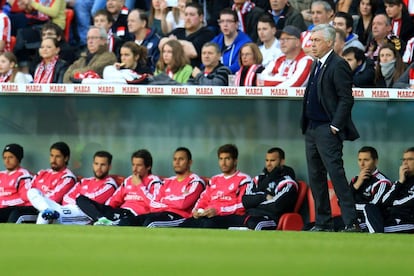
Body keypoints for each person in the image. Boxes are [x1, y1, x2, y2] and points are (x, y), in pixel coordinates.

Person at [301, 24, 360, 232]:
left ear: (329, 42)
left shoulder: (338, 64)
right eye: (311, 40)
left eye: (316, 40)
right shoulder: (315, 64)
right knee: (316, 178)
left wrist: (335, 125)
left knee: (336, 175)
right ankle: (323, 223)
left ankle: (351, 222)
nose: (312, 44)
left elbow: (346, 98)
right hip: (312, 129)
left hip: (327, 129)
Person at [26, 151, 118, 225]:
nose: (99, 167)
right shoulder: (85, 181)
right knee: (32, 191)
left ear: (109, 167)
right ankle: (47, 209)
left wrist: (78, 199)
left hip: (82, 213)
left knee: (44, 216)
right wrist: (77, 200)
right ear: (92, 164)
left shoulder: (109, 185)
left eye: (103, 165)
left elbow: (92, 201)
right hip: (64, 207)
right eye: (96, 164)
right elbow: (66, 198)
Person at [76, 149, 162, 226]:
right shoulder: (128, 180)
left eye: (139, 165)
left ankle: (103, 221)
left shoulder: (154, 181)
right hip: (119, 211)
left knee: (123, 220)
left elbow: (154, 204)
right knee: (81, 199)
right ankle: (101, 218)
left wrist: (139, 185)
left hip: (133, 214)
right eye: (133, 165)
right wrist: (105, 210)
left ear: (148, 167)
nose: (135, 169)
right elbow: (113, 200)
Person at [123, 147, 205, 227]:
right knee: (129, 221)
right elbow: (152, 204)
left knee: (151, 223)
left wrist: (163, 200)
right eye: (175, 159)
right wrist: (175, 199)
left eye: (181, 159)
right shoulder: (167, 181)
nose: (177, 162)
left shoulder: (195, 181)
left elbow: (183, 203)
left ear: (190, 162)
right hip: (160, 213)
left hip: (179, 217)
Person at [180, 144, 252, 229]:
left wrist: (219, 210)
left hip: (229, 216)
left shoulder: (244, 179)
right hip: (209, 215)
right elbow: (204, 199)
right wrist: (196, 210)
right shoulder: (214, 179)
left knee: (209, 224)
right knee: (185, 224)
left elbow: (243, 205)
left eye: (227, 159)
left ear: (235, 161)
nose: (223, 163)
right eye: (221, 159)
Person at [8, 141, 77, 223]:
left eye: (58, 156)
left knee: (17, 214)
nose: (53, 160)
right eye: (51, 156)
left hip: (45, 211)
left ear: (66, 158)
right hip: (29, 206)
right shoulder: (42, 173)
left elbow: (55, 198)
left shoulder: (68, 177)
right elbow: (28, 193)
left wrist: (36, 197)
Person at [242, 147, 298, 230]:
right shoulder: (258, 179)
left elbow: (277, 206)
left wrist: (254, 203)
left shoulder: (287, 183)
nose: (268, 164)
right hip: (250, 215)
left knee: (253, 223)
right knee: (219, 221)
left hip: (271, 218)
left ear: (282, 162)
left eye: (272, 161)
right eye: (267, 160)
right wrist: (265, 197)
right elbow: (245, 200)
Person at [349, 146, 392, 233]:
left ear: (375, 161)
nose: (362, 164)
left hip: (375, 221)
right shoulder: (355, 180)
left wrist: (350, 204)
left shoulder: (382, 181)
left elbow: (373, 207)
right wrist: (357, 184)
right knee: (332, 223)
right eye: (359, 160)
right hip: (356, 219)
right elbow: (341, 201)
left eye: (366, 160)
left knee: (369, 208)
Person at [159, 2, 215, 68]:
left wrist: (173, 43)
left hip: (193, 73)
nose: (188, 18)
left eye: (192, 15)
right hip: (172, 72)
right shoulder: (178, 31)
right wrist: (182, 45)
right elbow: (161, 44)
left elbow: (193, 52)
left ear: (201, 18)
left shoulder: (207, 33)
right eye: (186, 14)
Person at [382, 147, 414, 233]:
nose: (405, 163)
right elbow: (384, 201)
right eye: (403, 159)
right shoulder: (401, 180)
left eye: (410, 159)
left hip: (409, 222)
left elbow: (409, 202)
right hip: (394, 220)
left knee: (378, 230)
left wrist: (392, 204)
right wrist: (400, 181)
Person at [211, 8, 252, 74]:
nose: (225, 25)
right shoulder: (215, 41)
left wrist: (219, 73)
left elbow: (239, 65)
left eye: (229, 21)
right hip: (215, 79)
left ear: (237, 24)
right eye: (222, 21)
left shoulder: (246, 43)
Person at [0, 144, 32, 223]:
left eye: (11, 157)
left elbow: (26, 199)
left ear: (18, 158)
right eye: (5, 158)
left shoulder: (24, 175)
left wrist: (4, 202)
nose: (7, 161)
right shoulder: (1, 174)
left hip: (14, 209)